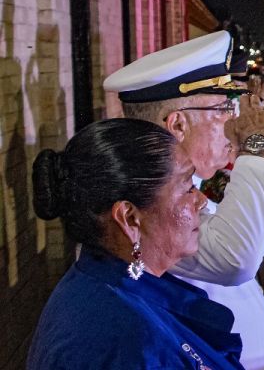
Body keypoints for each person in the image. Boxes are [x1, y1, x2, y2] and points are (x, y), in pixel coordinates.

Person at [104, 31, 264, 370]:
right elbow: (236, 257)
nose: (233, 122)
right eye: (222, 110)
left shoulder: (185, 190)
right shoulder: (144, 203)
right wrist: (258, 145)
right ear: (178, 124)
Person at [27, 119, 242, 369]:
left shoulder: (114, 284)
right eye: (186, 187)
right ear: (129, 218)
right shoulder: (125, 341)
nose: (201, 201)